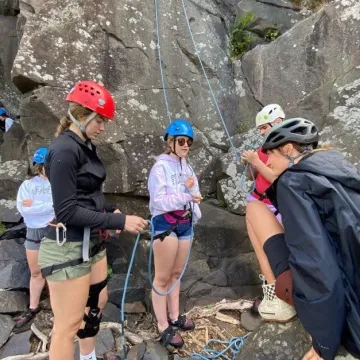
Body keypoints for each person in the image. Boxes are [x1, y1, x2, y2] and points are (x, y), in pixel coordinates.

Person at [38, 80, 148, 360]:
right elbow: (66, 212)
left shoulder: (85, 146)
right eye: (100, 120)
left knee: (95, 307)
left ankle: (88, 357)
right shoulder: (63, 150)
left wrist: (111, 210)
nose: (103, 128)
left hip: (92, 243)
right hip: (68, 247)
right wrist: (119, 223)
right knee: (68, 325)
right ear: (81, 114)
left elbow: (88, 195)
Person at [246, 118, 360, 360]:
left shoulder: (292, 182)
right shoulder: (338, 166)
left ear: (288, 149)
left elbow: (317, 262)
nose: (268, 162)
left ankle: (276, 298)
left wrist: (325, 343)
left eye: (271, 156)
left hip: (347, 303)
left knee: (254, 210)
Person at [148, 119, 202, 348]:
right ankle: (163, 326)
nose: (186, 145)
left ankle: (175, 316)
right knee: (162, 278)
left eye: (188, 142)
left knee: (177, 273)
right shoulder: (159, 167)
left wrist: (191, 192)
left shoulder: (186, 167)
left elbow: (195, 192)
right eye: (181, 141)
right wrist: (186, 195)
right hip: (165, 224)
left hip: (185, 222)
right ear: (170, 142)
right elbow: (159, 201)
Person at [241, 104, 296, 321]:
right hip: (258, 200)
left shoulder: (287, 148)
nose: (262, 132)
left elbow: (278, 178)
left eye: (264, 127)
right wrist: (250, 164)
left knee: (275, 249)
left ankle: (281, 293)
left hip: (275, 204)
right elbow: (252, 177)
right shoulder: (265, 149)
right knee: (261, 249)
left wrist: (256, 161)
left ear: (278, 122)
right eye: (261, 129)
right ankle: (272, 293)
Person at [15, 147, 54, 328]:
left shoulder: (60, 184)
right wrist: (46, 206)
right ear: (39, 166)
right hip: (34, 230)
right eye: (44, 164)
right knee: (36, 272)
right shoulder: (28, 185)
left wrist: (36, 204)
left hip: (54, 229)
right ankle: (33, 307)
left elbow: (58, 207)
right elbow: (24, 209)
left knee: (56, 272)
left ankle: (59, 309)